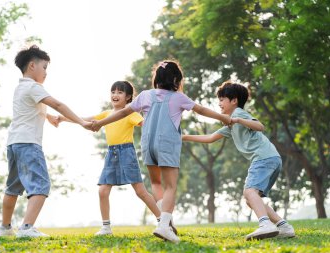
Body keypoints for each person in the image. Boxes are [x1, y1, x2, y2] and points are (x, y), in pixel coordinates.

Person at [91, 60, 230, 243]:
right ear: (176, 79)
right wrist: (222, 117)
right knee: (170, 186)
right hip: (167, 143)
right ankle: (164, 225)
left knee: (156, 183)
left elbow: (123, 112)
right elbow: (201, 109)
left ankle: (165, 221)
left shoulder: (145, 95)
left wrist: (100, 123)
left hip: (148, 144)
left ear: (156, 78)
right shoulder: (179, 97)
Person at [0, 45, 91, 238]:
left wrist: (48, 118)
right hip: (29, 144)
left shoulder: (20, 87)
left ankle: (5, 228)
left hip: (14, 143)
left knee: (12, 187)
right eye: (44, 67)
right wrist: (81, 122)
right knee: (40, 184)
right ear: (32, 65)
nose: (46, 72)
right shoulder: (34, 87)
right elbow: (57, 104)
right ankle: (27, 228)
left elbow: (30, 109)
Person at [182, 80, 295, 240]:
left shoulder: (238, 114)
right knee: (251, 199)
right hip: (271, 158)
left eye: (222, 99)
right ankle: (284, 226)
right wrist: (184, 137)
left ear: (234, 100)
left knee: (249, 192)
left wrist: (238, 120)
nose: (219, 103)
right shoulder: (230, 124)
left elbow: (260, 126)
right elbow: (210, 138)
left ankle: (265, 224)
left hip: (263, 158)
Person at [58, 81, 161, 236]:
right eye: (113, 92)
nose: (115, 95)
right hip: (111, 154)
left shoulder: (130, 113)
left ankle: (163, 221)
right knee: (103, 191)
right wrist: (64, 118)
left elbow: (145, 124)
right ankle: (106, 227)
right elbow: (85, 119)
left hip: (127, 152)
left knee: (140, 191)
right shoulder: (106, 114)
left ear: (128, 97)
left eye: (120, 92)